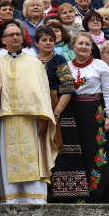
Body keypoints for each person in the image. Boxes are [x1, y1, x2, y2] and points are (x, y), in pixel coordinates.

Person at [0, 20, 58, 203]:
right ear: (3, 40)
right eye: (10, 35)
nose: (15, 37)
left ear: (22, 38)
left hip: (32, 119)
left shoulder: (34, 63)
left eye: (18, 34)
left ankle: (35, 199)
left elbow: (43, 91)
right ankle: (11, 200)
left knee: (33, 158)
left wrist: (43, 117)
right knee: (8, 160)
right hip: (6, 119)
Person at [58, 31, 109, 202]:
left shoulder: (100, 65)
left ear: (92, 47)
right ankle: (79, 193)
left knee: (97, 150)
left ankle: (99, 193)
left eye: (87, 44)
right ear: (73, 46)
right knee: (78, 151)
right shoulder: (66, 66)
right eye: (80, 43)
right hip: (73, 113)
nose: (84, 47)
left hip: (95, 113)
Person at [34, 27, 74, 202]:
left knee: (58, 146)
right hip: (37, 107)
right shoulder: (32, 61)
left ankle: (61, 193)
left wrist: (57, 111)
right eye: (44, 40)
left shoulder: (59, 60)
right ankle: (42, 189)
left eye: (51, 40)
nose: (48, 43)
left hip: (57, 105)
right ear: (37, 43)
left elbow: (68, 87)